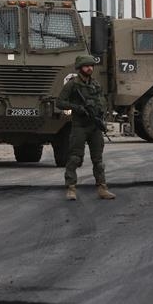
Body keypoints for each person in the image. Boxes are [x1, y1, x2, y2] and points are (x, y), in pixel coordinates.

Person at [56, 55, 115, 201]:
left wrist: (101, 113)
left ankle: (102, 188)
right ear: (80, 68)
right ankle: (71, 188)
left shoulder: (95, 84)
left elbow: (102, 102)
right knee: (75, 158)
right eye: (86, 66)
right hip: (79, 126)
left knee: (98, 160)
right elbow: (60, 102)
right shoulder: (72, 84)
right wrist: (77, 108)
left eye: (91, 66)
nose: (89, 68)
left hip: (94, 126)